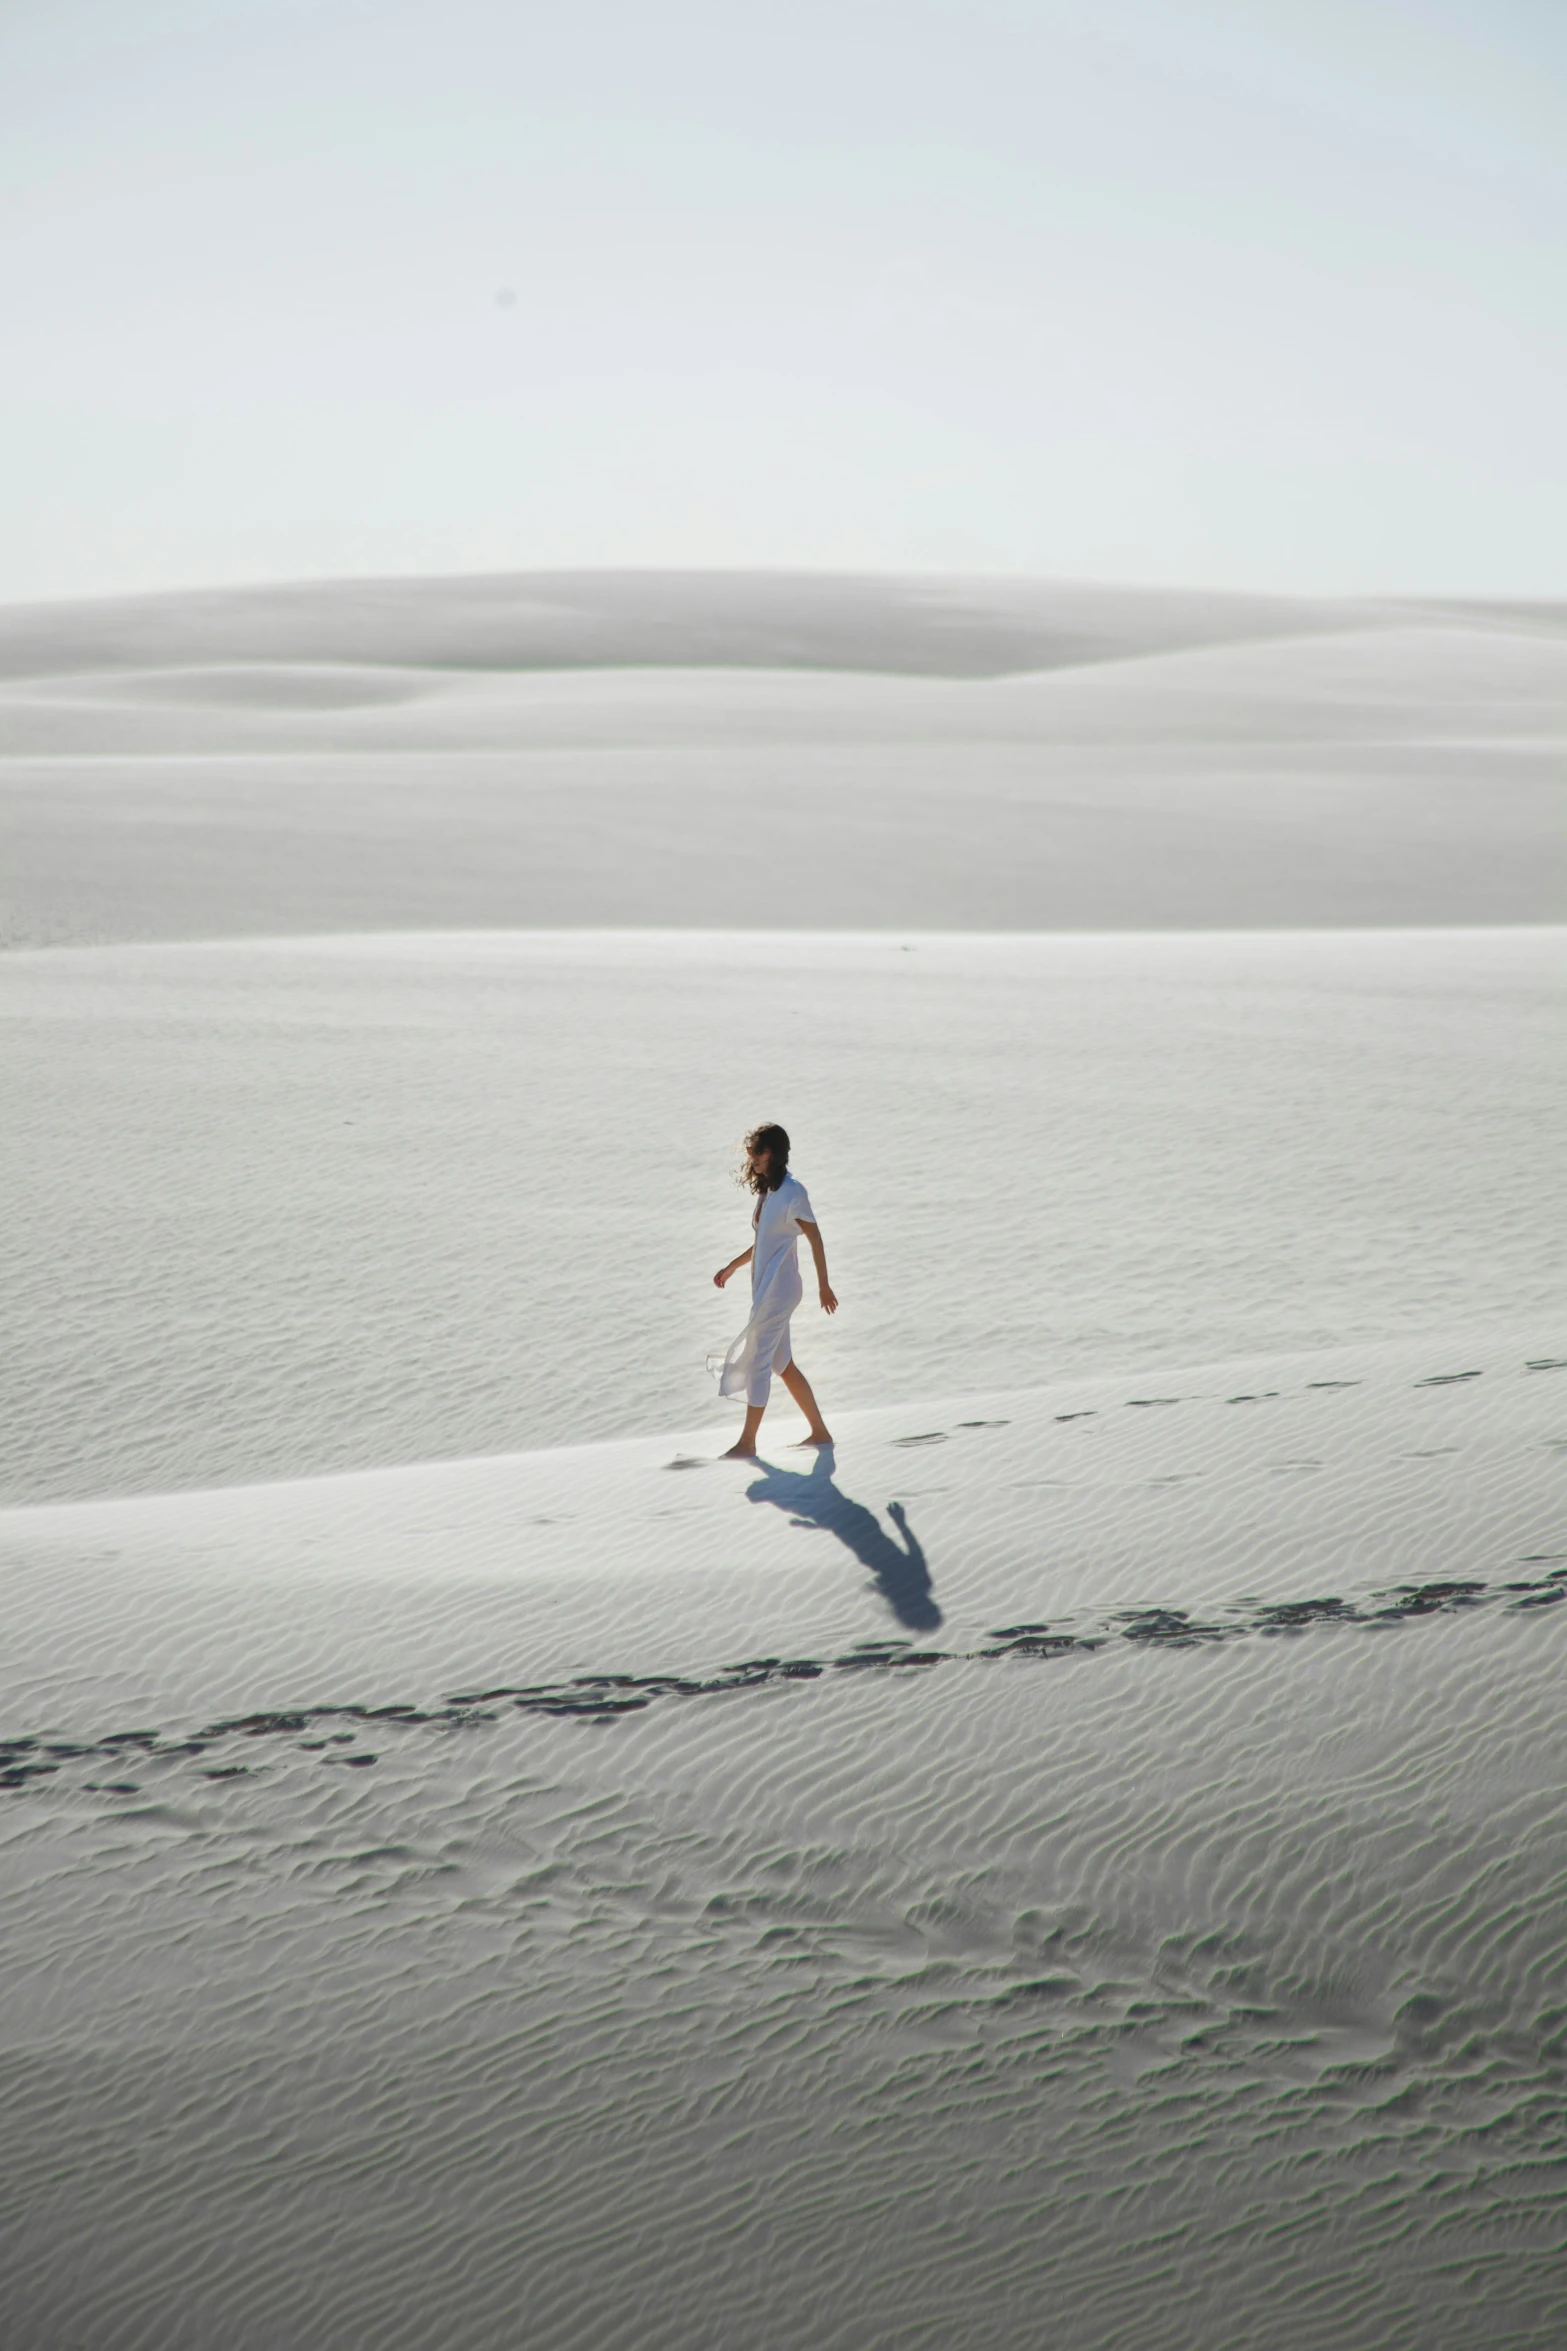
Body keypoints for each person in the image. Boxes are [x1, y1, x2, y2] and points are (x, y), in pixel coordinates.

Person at [712, 1123, 836, 1458]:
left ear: (774, 1154)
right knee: (783, 1364)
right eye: (751, 1150)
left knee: (758, 1363)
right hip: (767, 1287)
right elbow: (763, 1243)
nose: (752, 1157)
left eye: (759, 1151)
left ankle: (747, 1443)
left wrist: (824, 1286)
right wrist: (732, 1267)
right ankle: (820, 1433)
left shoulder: (793, 1192)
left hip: (779, 1290)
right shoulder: (769, 1193)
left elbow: (814, 1237)